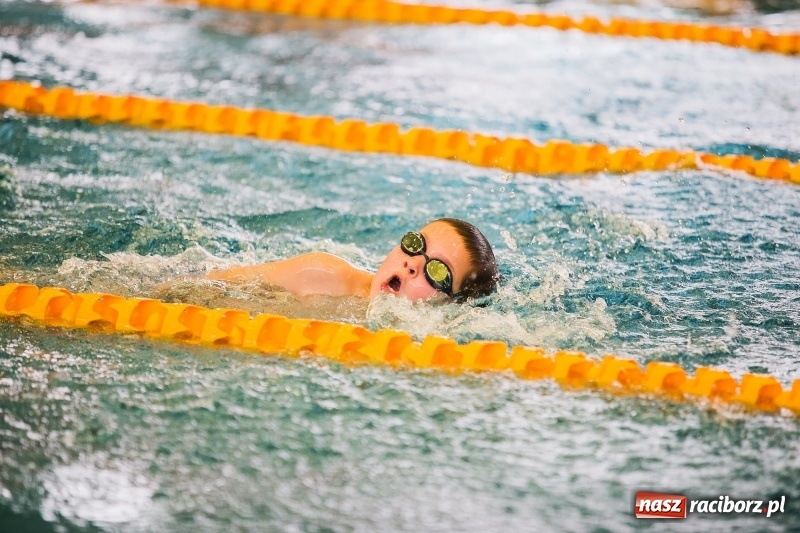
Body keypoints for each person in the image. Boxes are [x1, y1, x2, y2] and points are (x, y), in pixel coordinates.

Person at [205, 218, 500, 303]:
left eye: (438, 271)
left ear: (452, 304)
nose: (413, 264)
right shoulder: (322, 275)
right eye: (416, 245)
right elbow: (206, 285)